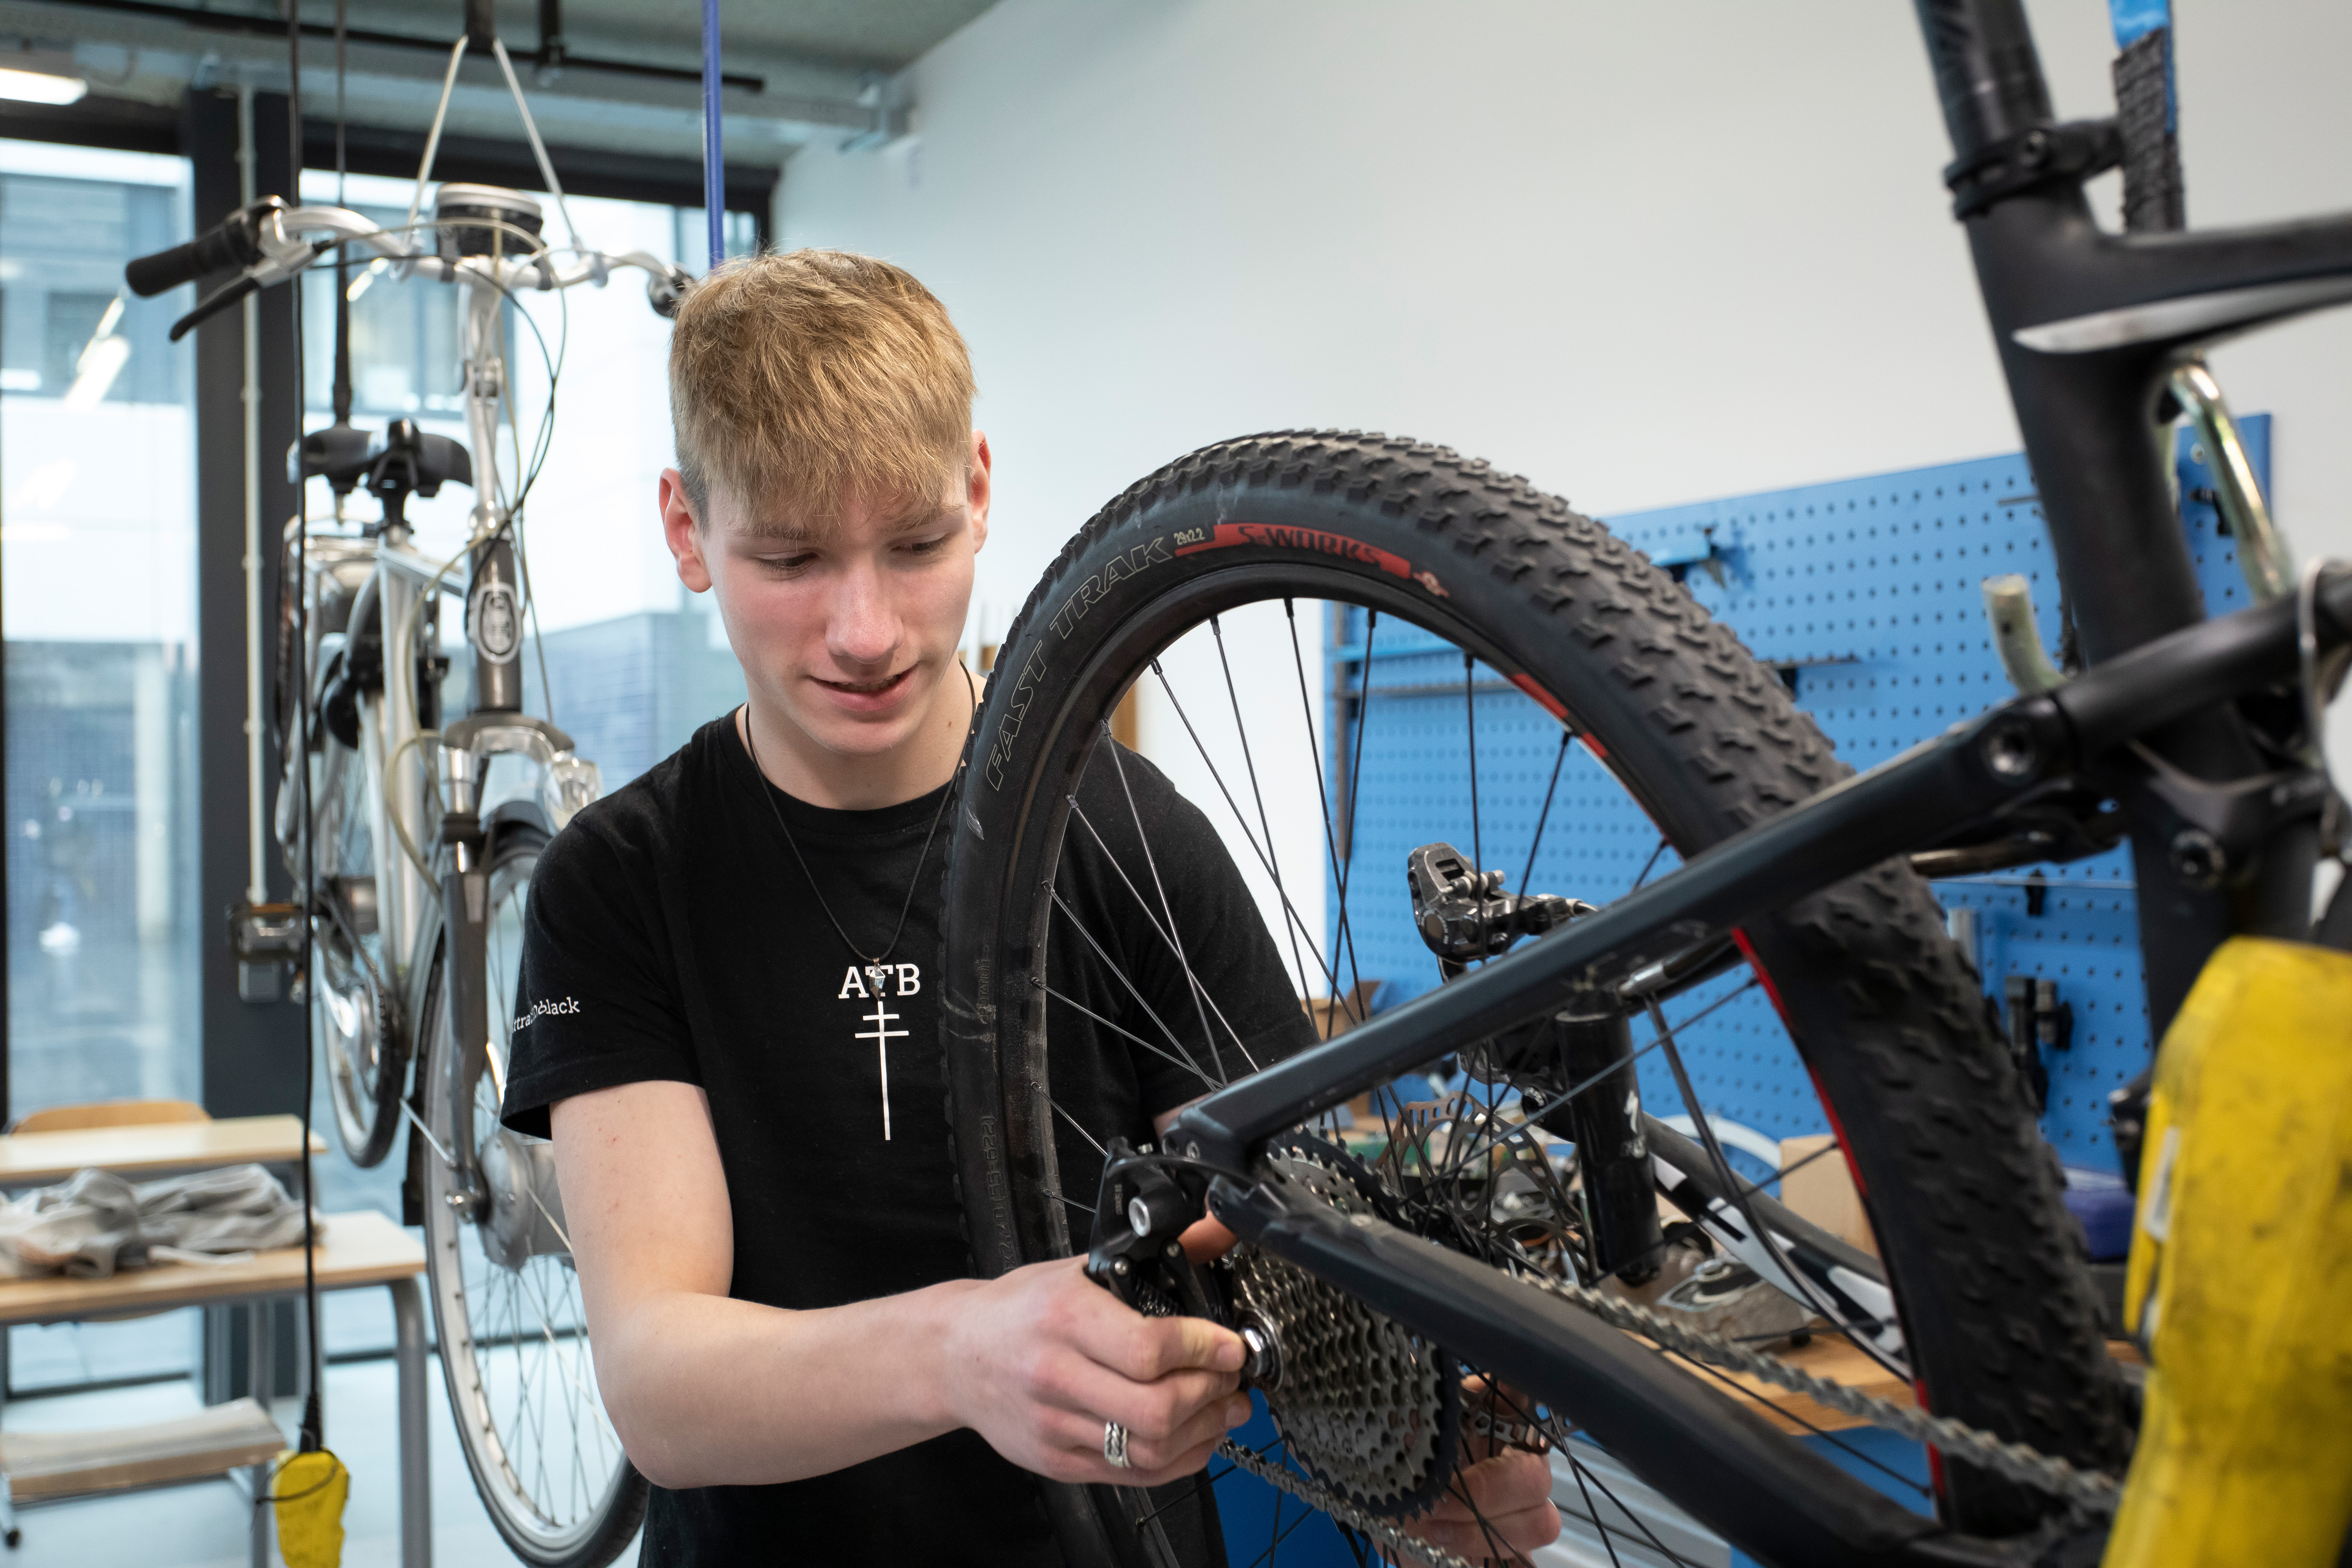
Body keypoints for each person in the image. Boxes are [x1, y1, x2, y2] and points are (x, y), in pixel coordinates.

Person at [501, 248, 1560, 1565]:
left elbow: (1279, 1232)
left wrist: (1427, 1430)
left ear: (982, 490)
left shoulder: (1130, 832)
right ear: (687, 532)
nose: (866, 629)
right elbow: (661, 1386)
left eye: (918, 544)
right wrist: (960, 1350)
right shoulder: (620, 880)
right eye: (791, 558)